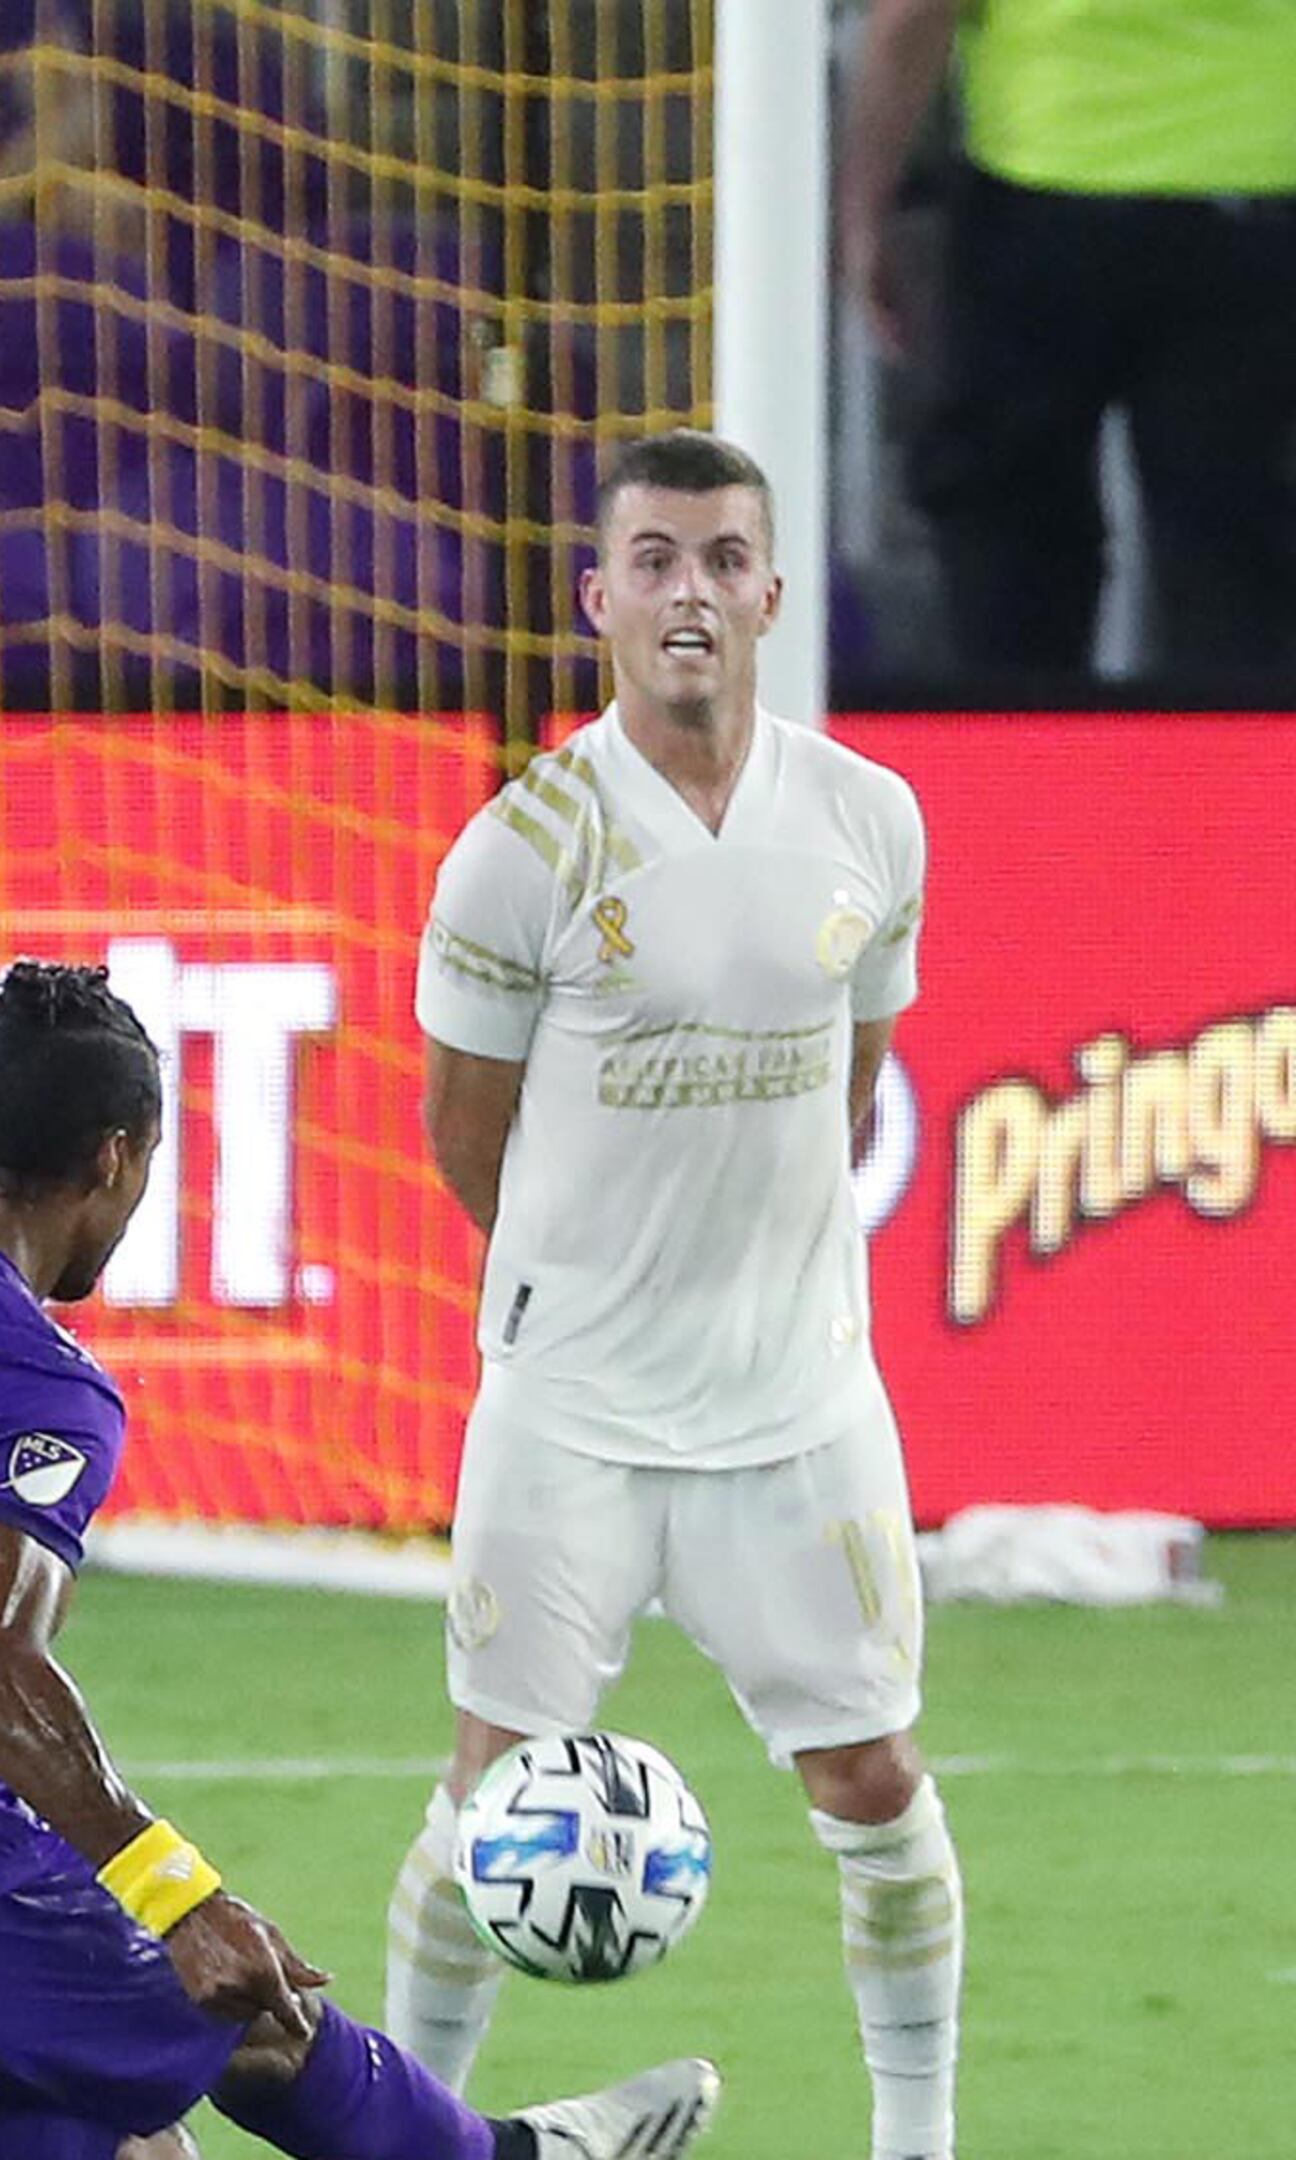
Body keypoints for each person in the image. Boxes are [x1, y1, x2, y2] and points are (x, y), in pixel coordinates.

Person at [0, 959, 721, 2160]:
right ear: (118, 1160)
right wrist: (177, 1893)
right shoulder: (32, 1382)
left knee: (141, 2148)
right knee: (260, 2021)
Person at [384, 430, 952, 2160]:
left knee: (873, 1787)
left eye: (721, 558)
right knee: (491, 1800)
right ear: (598, 600)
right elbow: (463, 1135)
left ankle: (917, 2141)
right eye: (653, 560)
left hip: (799, 1410)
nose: (688, 591)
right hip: (573, 1418)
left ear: (772, 592)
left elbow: (855, 1081)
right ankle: (407, 2133)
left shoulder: (872, 819)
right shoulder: (519, 849)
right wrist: (596, 1286)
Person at [840, 0, 1296, 685]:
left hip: (1041, 194)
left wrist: (863, 207)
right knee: (1234, 554)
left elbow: (913, 14)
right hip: (1254, 198)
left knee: (1009, 548)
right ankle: (1237, 786)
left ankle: (1017, 776)